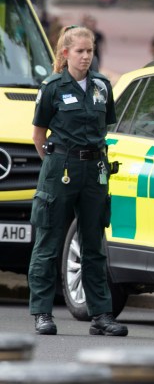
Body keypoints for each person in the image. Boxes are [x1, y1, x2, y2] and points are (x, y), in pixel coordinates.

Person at [27, 25, 128, 337]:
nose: (86, 57)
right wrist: (56, 163)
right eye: (80, 51)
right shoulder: (54, 87)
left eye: (90, 51)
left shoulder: (101, 85)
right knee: (48, 242)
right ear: (65, 53)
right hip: (61, 167)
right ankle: (42, 312)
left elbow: (105, 126)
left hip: (94, 171)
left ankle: (101, 315)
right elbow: (38, 135)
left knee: (93, 244)